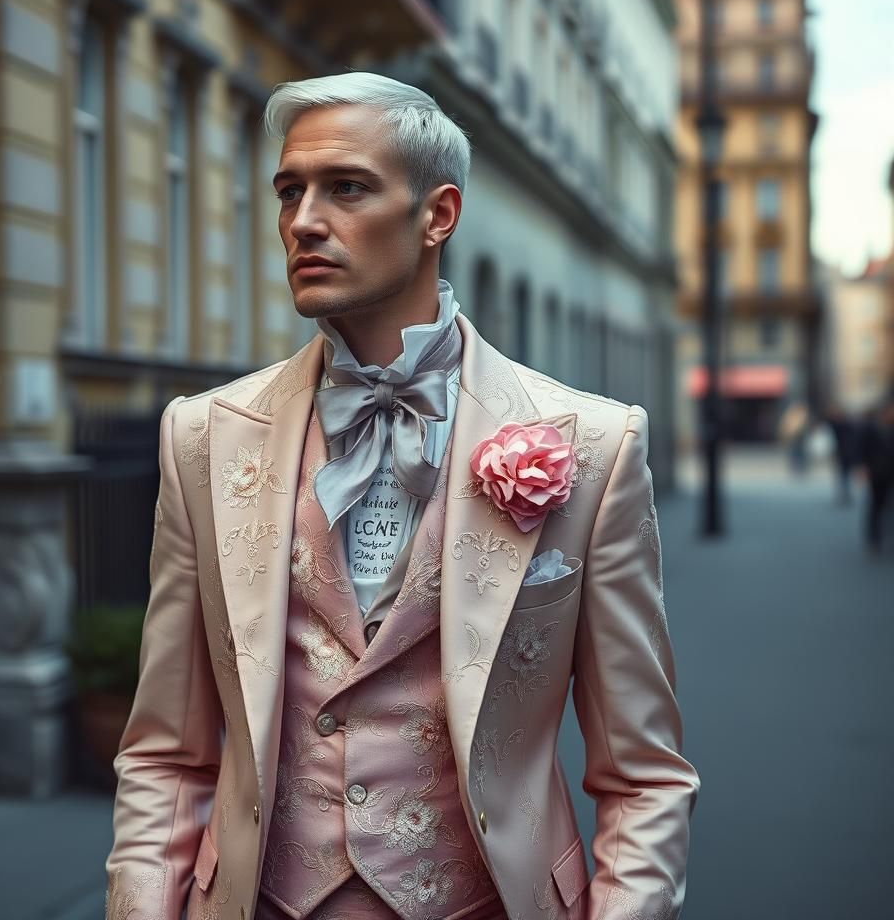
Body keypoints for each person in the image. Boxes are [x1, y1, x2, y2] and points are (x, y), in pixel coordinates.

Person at [104, 73, 699, 920]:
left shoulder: (594, 447)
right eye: (289, 191)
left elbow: (642, 776)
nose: (304, 220)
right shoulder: (202, 437)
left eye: (346, 187)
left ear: (437, 216)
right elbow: (166, 755)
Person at [861, 399, 894, 552]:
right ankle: (874, 537)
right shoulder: (872, 428)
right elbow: (863, 448)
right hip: (877, 472)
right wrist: (863, 467)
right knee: (876, 505)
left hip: (889, 472)